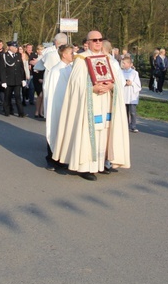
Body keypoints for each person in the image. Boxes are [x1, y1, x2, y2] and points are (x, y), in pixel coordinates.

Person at [53, 30, 130, 181]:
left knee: (104, 131)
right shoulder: (81, 59)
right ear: (87, 42)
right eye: (94, 40)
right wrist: (92, 88)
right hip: (89, 102)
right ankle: (85, 166)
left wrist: (111, 86)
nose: (97, 42)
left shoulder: (107, 58)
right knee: (89, 133)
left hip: (105, 101)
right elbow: (75, 83)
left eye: (100, 39)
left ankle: (100, 164)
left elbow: (116, 79)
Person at [43, 44, 74, 170]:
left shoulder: (70, 68)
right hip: (57, 105)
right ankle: (51, 159)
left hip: (67, 105)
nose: (73, 55)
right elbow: (49, 90)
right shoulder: (55, 70)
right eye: (71, 53)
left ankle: (61, 158)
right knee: (54, 128)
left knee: (64, 132)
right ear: (64, 55)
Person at [0, 41, 25, 117]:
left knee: (18, 96)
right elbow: (2, 69)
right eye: (14, 47)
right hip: (8, 80)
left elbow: (21, 68)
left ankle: (21, 113)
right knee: (7, 97)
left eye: (16, 47)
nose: (16, 48)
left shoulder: (18, 55)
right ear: (10, 47)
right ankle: (7, 111)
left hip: (17, 80)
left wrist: (23, 79)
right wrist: (3, 81)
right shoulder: (4, 56)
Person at [121, 56, 142, 132]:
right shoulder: (121, 72)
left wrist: (131, 83)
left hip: (131, 94)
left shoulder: (134, 73)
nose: (123, 65)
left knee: (132, 112)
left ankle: (133, 125)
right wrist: (124, 83)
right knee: (125, 111)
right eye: (123, 63)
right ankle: (125, 125)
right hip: (124, 93)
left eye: (125, 63)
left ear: (130, 64)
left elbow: (138, 84)